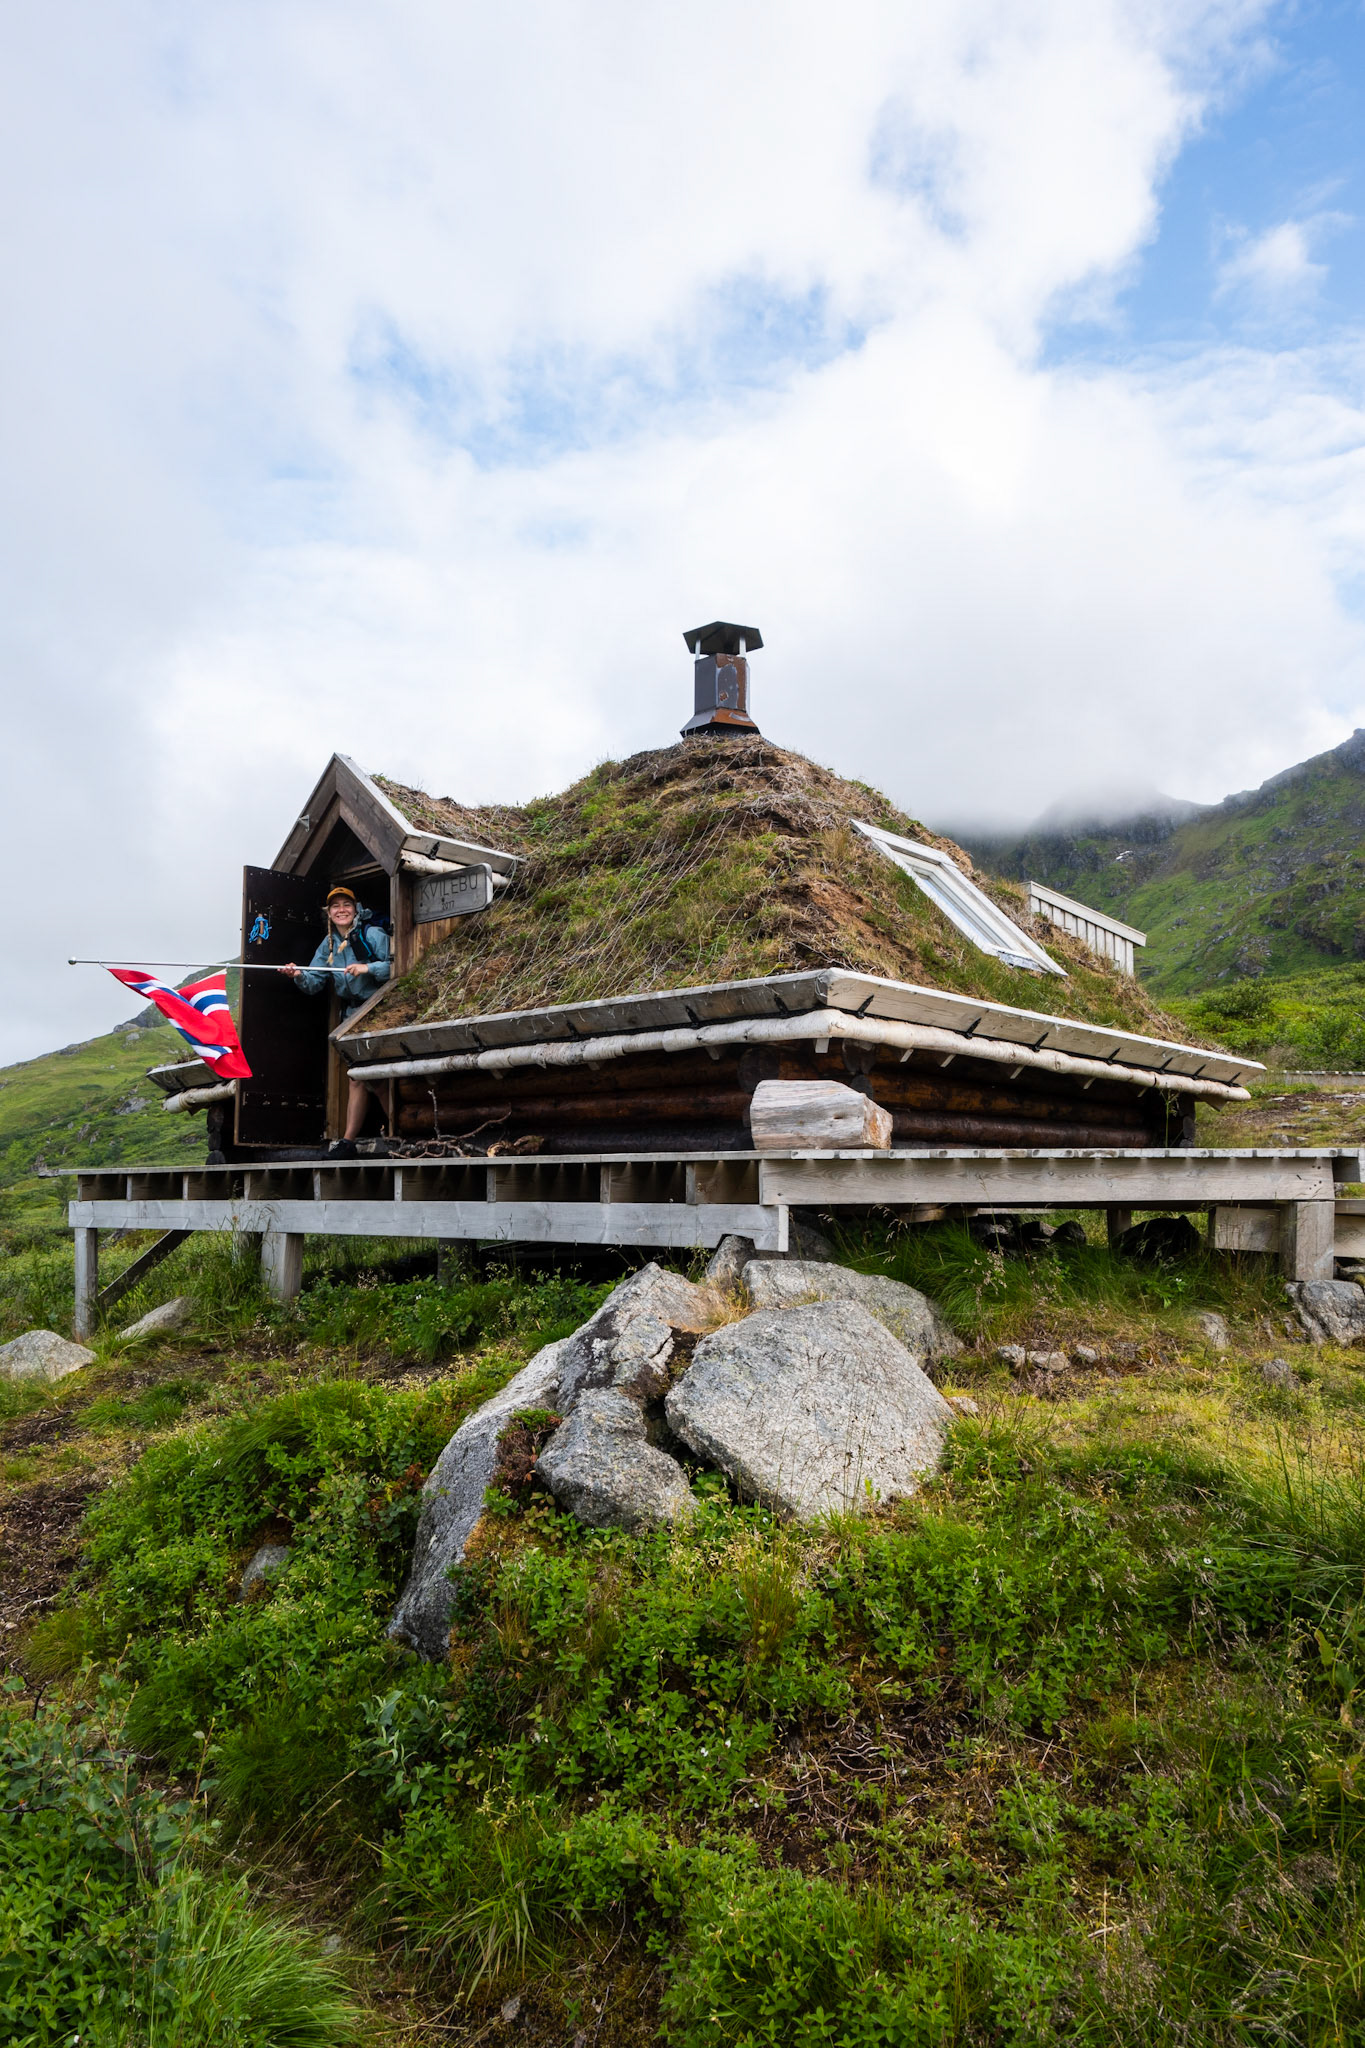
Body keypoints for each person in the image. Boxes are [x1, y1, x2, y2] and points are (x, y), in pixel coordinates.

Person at [282, 885, 391, 1155]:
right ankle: (350, 1141)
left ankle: (397, 1132)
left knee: (375, 1078)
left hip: (378, 1010)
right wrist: (298, 976)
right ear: (329, 913)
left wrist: (368, 968)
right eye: (335, 906)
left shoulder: (372, 934)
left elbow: (397, 966)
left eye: (346, 905)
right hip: (351, 1016)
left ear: (356, 910)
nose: (341, 910)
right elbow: (314, 982)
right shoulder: (328, 944)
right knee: (357, 1077)